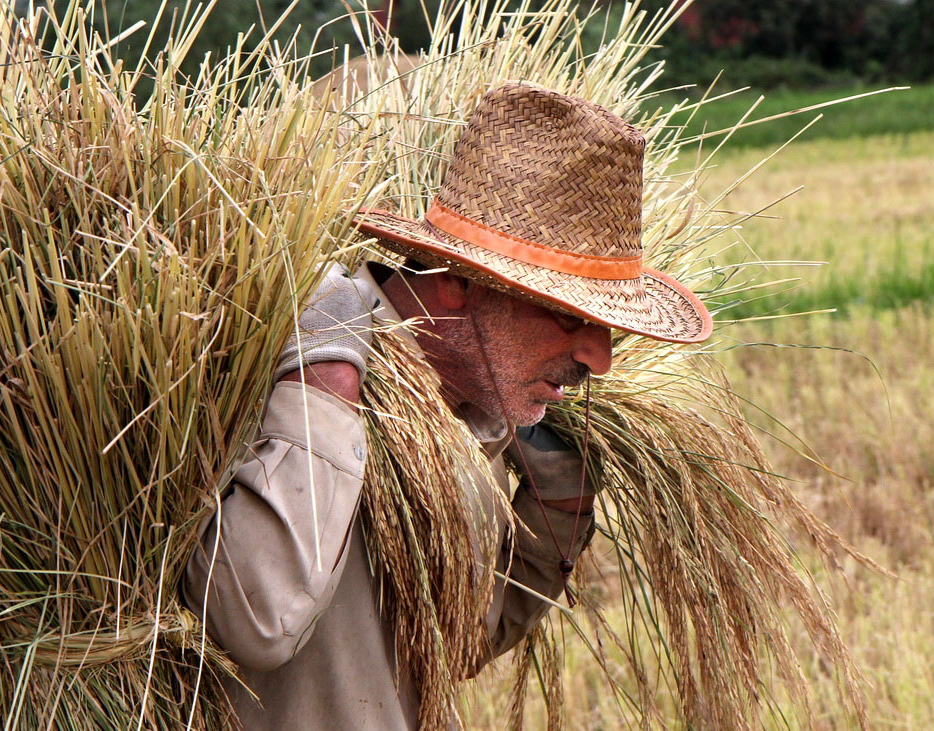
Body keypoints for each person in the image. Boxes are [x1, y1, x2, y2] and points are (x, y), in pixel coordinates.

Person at [181, 82, 712, 729]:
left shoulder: (471, 420)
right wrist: (325, 379)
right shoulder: (275, 365)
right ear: (459, 281)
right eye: (571, 315)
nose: (600, 357)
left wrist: (557, 508)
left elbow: (443, 648)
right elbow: (254, 622)